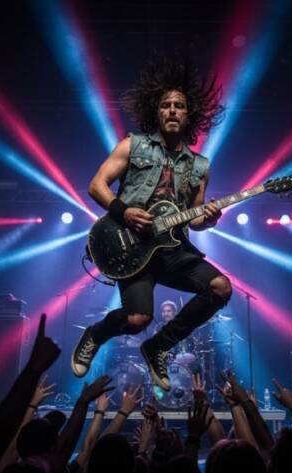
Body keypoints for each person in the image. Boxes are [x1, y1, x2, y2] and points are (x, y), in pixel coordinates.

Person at [71, 54, 231, 391]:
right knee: (136, 320)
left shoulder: (199, 165)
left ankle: (158, 346)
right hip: (132, 244)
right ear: (156, 112)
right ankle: (95, 334)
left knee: (220, 288)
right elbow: (96, 185)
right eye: (166, 105)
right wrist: (124, 211)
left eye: (179, 105)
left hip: (173, 249)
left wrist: (209, 220)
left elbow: (196, 216)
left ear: (190, 115)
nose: (172, 110)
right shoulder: (133, 145)